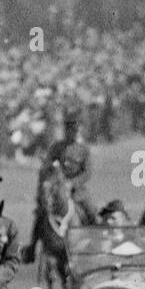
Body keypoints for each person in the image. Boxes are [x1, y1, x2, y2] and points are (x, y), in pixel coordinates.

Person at [26, 109, 95, 261]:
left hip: (77, 192)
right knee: (41, 215)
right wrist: (54, 175)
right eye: (71, 130)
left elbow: (87, 172)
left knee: (92, 212)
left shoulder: (84, 150)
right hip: (57, 190)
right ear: (66, 130)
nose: (73, 133)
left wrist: (72, 183)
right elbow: (46, 167)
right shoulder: (56, 148)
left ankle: (96, 246)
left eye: (76, 130)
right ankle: (31, 248)